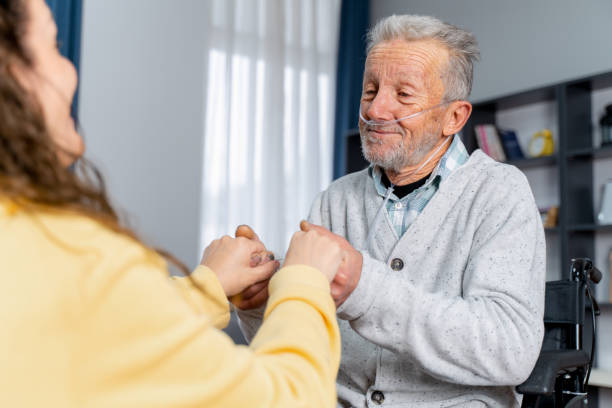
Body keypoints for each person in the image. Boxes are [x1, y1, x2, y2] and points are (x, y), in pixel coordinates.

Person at [0, 0, 345, 407]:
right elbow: (290, 399)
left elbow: (101, 338)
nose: (69, 69)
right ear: (13, 76)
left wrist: (207, 287)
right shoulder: (77, 258)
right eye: (55, 46)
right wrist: (305, 282)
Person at [238, 14, 546, 407]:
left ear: (455, 117)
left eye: (403, 95)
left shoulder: (499, 193)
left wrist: (364, 287)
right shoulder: (336, 199)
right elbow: (303, 348)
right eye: (370, 91)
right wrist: (259, 305)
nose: (376, 110)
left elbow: (510, 351)